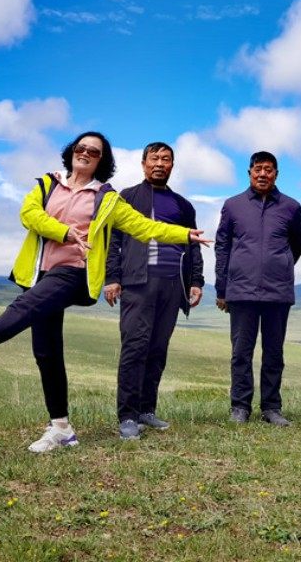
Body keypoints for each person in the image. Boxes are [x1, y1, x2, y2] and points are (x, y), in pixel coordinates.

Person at [0, 131, 209, 453]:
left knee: (22, 309)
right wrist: (64, 232)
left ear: (102, 160)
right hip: (39, 273)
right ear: (72, 151)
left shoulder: (106, 197)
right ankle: (61, 428)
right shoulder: (48, 184)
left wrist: (184, 235)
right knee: (47, 352)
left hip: (75, 270)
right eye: (81, 147)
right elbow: (29, 215)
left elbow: (143, 226)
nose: (85, 152)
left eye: (94, 151)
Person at [105, 141, 204, 441]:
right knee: (135, 347)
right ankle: (127, 415)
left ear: (172, 165)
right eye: (154, 158)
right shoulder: (127, 197)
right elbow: (113, 241)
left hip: (172, 285)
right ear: (143, 163)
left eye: (166, 159)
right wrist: (112, 277)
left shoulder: (183, 205)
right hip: (137, 282)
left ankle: (146, 410)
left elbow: (192, 245)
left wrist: (196, 281)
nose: (160, 164)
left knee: (158, 349)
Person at [215, 152, 301, 426]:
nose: (263, 174)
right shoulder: (233, 205)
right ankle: (240, 406)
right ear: (249, 172)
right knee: (241, 352)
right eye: (258, 169)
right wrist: (222, 288)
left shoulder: (291, 207)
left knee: (274, 352)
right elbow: (222, 246)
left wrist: (279, 265)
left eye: (268, 169)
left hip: (278, 291)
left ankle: (271, 407)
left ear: (276, 174)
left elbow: (296, 245)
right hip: (241, 291)